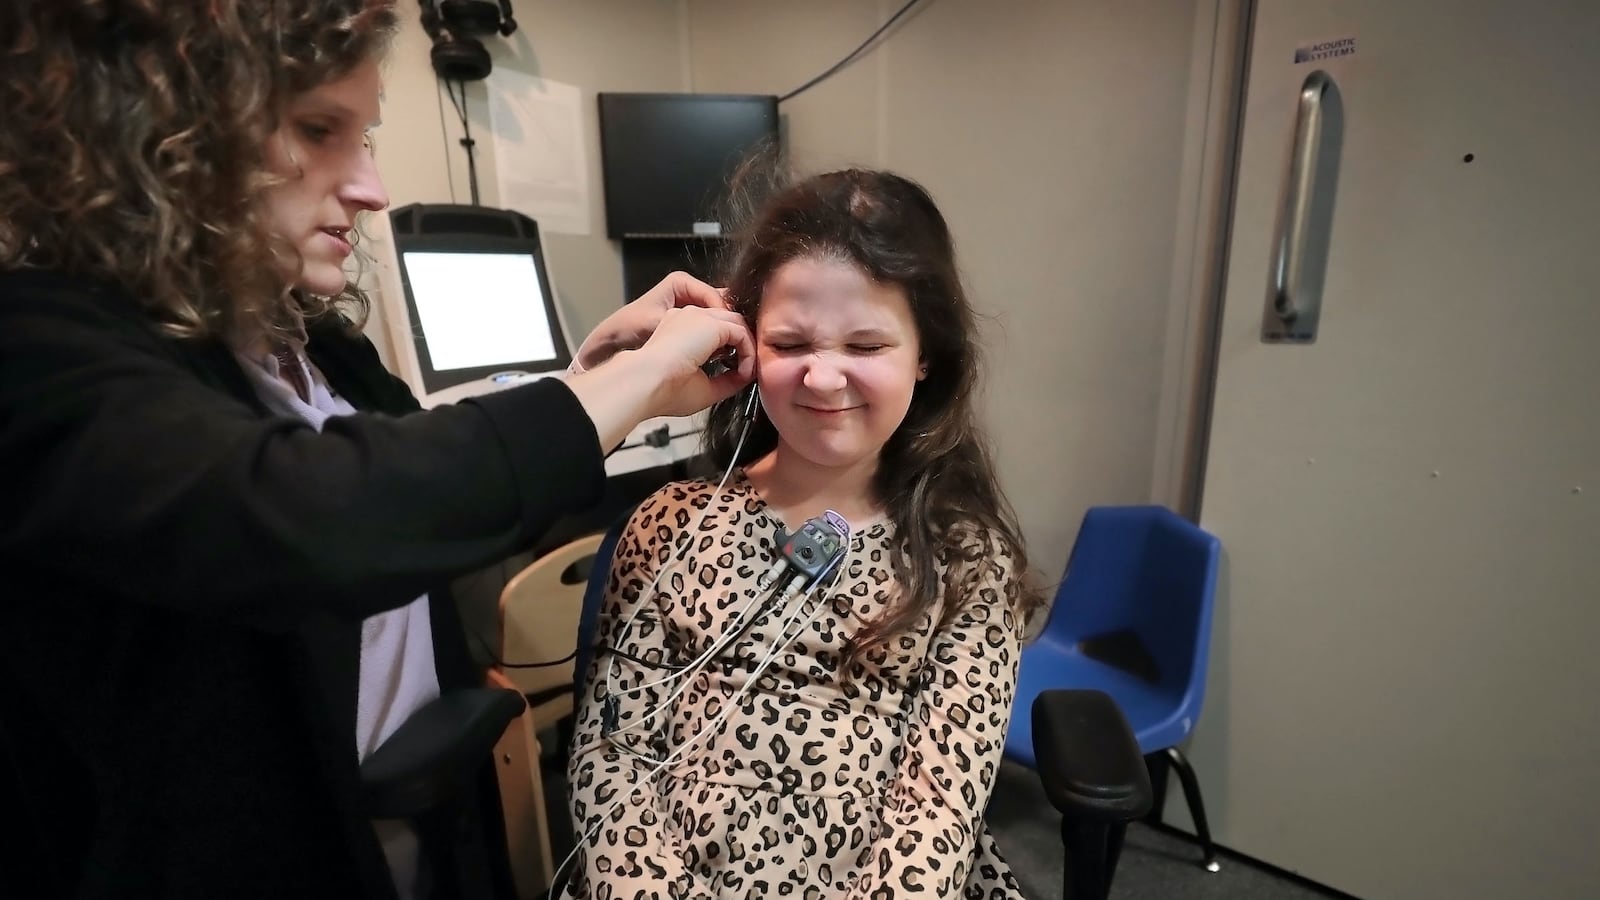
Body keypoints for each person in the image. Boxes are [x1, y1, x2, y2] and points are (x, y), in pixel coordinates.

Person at [0, 2, 752, 898]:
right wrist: (613, 391)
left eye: (366, 138)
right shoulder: (36, 349)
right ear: (167, 132)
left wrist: (590, 368)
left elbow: (417, 461)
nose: (372, 189)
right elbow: (309, 514)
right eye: (321, 130)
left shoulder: (305, 339)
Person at [566, 169, 1043, 899]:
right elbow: (610, 753)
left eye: (866, 345)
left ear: (925, 356)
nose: (823, 379)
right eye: (790, 343)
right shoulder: (669, 528)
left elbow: (940, 804)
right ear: (745, 346)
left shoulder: (966, 559)